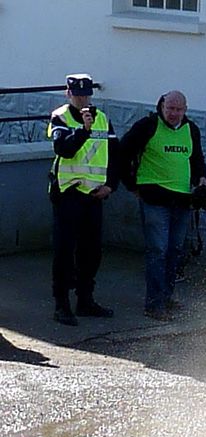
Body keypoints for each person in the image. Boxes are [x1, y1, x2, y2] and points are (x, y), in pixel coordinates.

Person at [121, 90, 206, 321]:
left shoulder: (191, 129)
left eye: (178, 109)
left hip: (181, 199)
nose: (173, 113)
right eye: (170, 108)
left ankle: (166, 297)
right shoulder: (148, 126)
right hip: (154, 198)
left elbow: (196, 158)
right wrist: (132, 185)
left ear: (185, 110)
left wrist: (202, 179)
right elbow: (122, 152)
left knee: (175, 251)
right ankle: (154, 304)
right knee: (158, 251)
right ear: (161, 106)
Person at [47, 73, 119, 326]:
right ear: (68, 94)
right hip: (68, 194)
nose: (82, 99)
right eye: (77, 94)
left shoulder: (102, 118)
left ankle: (85, 300)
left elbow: (114, 153)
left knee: (91, 252)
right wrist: (83, 131)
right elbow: (63, 149)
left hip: (93, 195)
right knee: (64, 251)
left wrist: (111, 185)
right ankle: (61, 304)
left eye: (86, 94)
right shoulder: (60, 117)